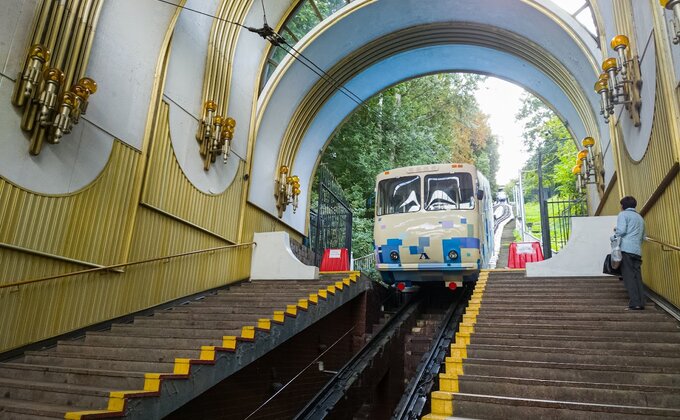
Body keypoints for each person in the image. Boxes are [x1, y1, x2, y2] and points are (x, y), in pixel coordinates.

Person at [613, 196, 646, 310]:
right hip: (637, 250)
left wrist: (613, 235)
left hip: (626, 249)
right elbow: (643, 237)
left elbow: (621, 231)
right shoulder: (640, 218)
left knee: (628, 277)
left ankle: (635, 303)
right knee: (637, 276)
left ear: (622, 206)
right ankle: (641, 302)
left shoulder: (623, 214)